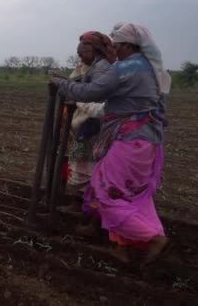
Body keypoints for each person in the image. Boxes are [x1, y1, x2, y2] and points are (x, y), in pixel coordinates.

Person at [50, 23, 171, 266]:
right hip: (146, 141)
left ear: (128, 45)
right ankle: (121, 247)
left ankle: (151, 237)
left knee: (107, 190)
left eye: (117, 45)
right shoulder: (150, 68)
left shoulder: (126, 68)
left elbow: (92, 92)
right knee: (133, 193)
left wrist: (60, 84)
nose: (114, 50)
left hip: (130, 141)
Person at [59, 32, 116, 230]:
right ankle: (80, 206)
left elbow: (96, 97)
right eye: (80, 48)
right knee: (80, 165)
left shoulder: (102, 68)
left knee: (88, 169)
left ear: (98, 48)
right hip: (86, 124)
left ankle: (89, 214)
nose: (82, 51)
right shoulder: (91, 66)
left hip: (93, 126)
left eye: (86, 47)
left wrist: (74, 94)